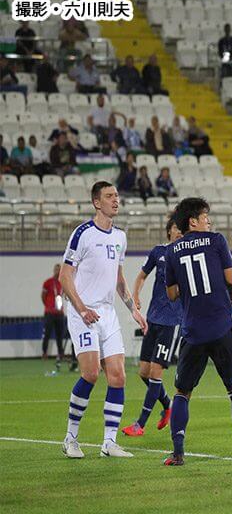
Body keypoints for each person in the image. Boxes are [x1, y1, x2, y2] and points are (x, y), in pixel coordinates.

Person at [163, 197, 232, 466]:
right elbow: (231, 279)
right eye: (206, 217)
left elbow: (172, 294)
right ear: (193, 221)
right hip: (220, 327)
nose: (210, 221)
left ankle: (178, 453)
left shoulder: (171, 252)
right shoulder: (217, 240)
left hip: (193, 331)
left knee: (183, 392)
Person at [59, 181, 148, 459]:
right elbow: (65, 276)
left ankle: (109, 443)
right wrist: (82, 308)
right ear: (97, 202)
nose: (116, 200)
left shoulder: (120, 236)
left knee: (119, 376)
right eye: (109, 196)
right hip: (82, 312)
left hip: (107, 313)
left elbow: (119, 279)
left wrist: (133, 308)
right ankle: (70, 438)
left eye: (117, 195)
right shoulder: (82, 233)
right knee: (90, 373)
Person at [122, 218, 183, 437]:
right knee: (143, 373)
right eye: (176, 228)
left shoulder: (185, 256)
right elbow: (141, 276)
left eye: (181, 229)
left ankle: (140, 424)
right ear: (169, 231)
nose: (179, 232)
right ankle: (167, 406)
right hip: (153, 319)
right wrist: (136, 296)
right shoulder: (158, 252)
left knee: (156, 373)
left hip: (171, 322)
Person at [41, 264, 66, 363]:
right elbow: (43, 296)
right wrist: (48, 305)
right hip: (49, 313)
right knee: (47, 333)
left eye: (59, 270)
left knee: (60, 335)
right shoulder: (48, 282)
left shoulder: (63, 283)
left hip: (60, 313)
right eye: (56, 269)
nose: (58, 271)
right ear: (53, 270)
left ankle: (60, 354)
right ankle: (44, 353)